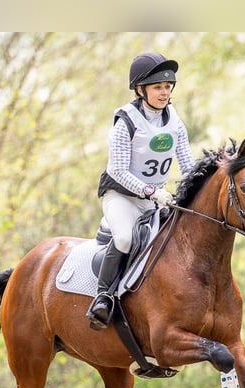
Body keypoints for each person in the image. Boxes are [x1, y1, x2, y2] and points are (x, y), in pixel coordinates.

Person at [86, 52, 194, 330]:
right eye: (158, 87)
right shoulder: (126, 123)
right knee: (123, 239)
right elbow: (118, 172)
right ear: (140, 89)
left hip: (155, 199)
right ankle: (103, 297)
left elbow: (187, 164)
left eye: (168, 87)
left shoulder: (174, 122)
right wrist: (152, 191)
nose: (164, 92)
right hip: (121, 197)